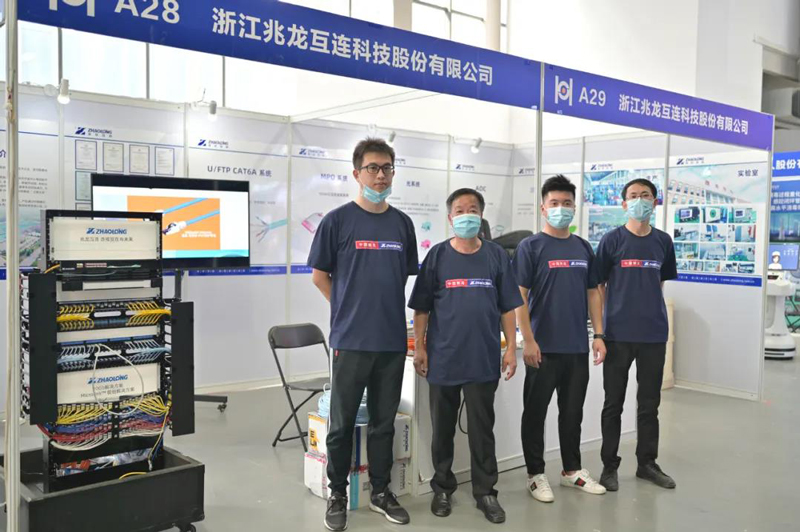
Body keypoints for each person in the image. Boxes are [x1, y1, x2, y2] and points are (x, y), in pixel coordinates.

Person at [308, 138, 418, 531]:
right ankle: (338, 493)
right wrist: (346, 309)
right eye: (373, 168)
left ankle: (381, 492)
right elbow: (320, 276)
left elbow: (401, 276)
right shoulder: (337, 221)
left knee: (384, 423)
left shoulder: (402, 224)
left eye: (387, 167)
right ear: (357, 173)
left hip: (390, 342)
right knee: (341, 425)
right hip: (350, 341)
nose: (380, 175)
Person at [408, 188, 522, 524]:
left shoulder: (496, 256)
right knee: (442, 429)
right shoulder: (438, 256)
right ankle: (443, 488)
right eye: (460, 210)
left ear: (481, 216)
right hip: (443, 357)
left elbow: (508, 307)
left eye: (472, 209)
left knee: (483, 429)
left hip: (482, 358)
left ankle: (486, 492)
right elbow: (422, 308)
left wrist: (510, 348)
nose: (466, 215)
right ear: (450, 218)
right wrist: (421, 346)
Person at [512, 175, 607, 504]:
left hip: (576, 346)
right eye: (554, 203)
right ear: (543, 208)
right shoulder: (530, 247)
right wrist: (528, 339)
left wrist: (599, 334)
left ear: (574, 207)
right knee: (535, 413)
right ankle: (535, 474)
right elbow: (519, 296)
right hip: (543, 347)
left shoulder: (582, 247)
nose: (561, 208)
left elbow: (593, 292)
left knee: (572, 412)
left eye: (567, 203)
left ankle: (571, 470)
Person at [596, 178, 678, 492]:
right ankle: (609, 466)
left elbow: (660, 282)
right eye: (633, 196)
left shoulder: (663, 241)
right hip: (617, 334)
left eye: (645, 195)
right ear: (623, 203)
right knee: (613, 403)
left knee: (649, 403)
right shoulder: (612, 240)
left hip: (653, 334)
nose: (639, 200)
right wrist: (602, 328)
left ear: (654, 202)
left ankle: (647, 463)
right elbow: (599, 286)